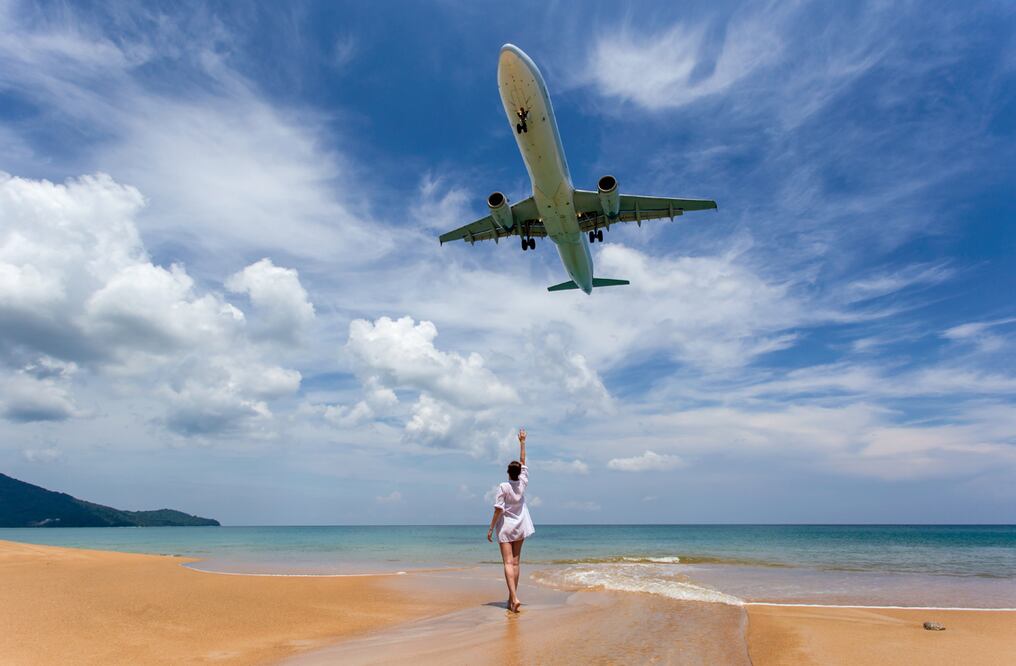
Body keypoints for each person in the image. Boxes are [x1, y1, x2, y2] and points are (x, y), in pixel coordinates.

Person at [487, 428, 535, 613]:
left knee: (507, 563)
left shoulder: (504, 486)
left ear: (508, 472)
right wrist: (522, 442)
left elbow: (498, 509)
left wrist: (491, 528)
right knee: (516, 563)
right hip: (520, 526)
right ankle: (511, 598)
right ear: (518, 473)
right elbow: (523, 462)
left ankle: (514, 597)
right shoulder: (522, 484)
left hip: (506, 528)